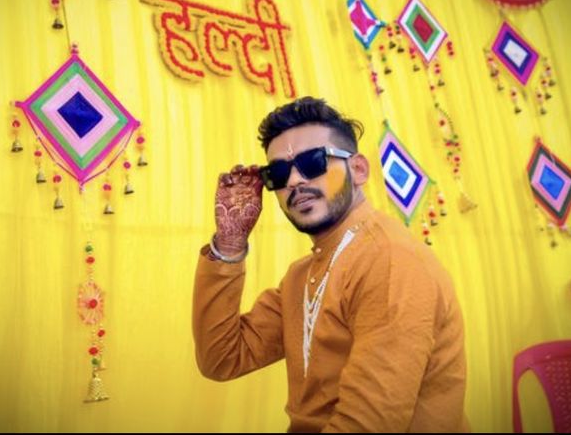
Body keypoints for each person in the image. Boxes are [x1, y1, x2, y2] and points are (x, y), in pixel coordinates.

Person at [192, 96, 468, 432]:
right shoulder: (302, 276)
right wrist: (230, 244)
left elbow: (368, 424)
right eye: (278, 173)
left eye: (313, 163)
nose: (294, 181)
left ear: (359, 169)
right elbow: (222, 359)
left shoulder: (392, 261)